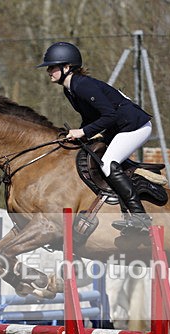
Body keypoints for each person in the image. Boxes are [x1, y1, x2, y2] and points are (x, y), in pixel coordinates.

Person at [37, 41, 153, 233]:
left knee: (107, 163)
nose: (49, 71)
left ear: (67, 67)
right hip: (119, 127)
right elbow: (91, 117)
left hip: (135, 126)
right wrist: (78, 135)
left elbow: (110, 115)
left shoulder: (83, 86)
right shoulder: (70, 88)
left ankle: (140, 217)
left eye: (52, 66)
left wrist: (82, 132)